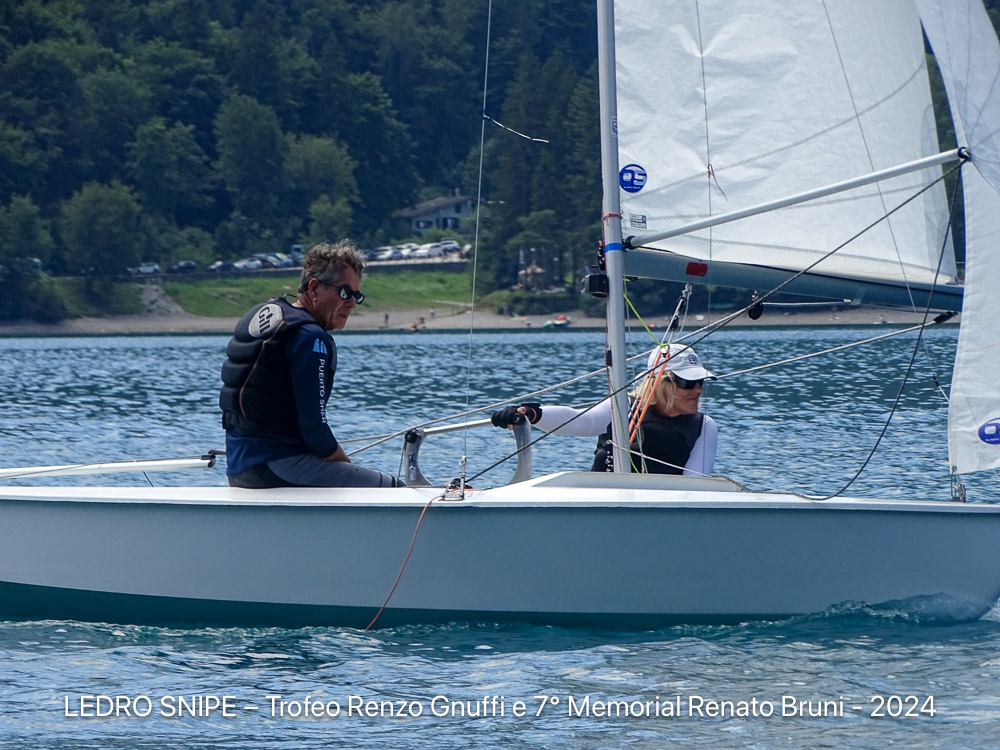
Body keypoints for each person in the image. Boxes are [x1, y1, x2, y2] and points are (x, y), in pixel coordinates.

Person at [220, 240, 403, 488]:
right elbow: (314, 429)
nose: (351, 303)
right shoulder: (310, 337)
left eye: (356, 296)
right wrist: (345, 465)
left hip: (239, 467)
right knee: (393, 489)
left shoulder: (269, 316)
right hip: (278, 468)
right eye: (345, 292)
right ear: (315, 288)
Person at [491, 343, 718, 475]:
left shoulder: (704, 426)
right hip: (604, 500)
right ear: (660, 382)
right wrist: (531, 414)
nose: (697, 390)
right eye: (688, 383)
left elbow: (694, 483)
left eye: (701, 382)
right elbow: (583, 421)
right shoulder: (622, 406)